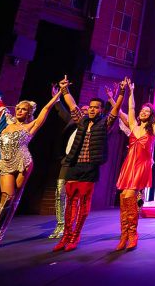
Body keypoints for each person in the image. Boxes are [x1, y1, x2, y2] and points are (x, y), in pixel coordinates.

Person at [0, 84, 62, 250]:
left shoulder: (30, 126)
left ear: (29, 113)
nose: (20, 111)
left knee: (13, 199)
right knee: (6, 197)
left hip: (23, 162)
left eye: (24, 109)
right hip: (6, 163)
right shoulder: (5, 123)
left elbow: (45, 109)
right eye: (18, 108)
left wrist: (57, 95)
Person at [53, 76, 125, 252]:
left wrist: (122, 92)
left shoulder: (104, 123)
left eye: (96, 107)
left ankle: (75, 236)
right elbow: (72, 105)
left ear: (101, 110)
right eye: (90, 107)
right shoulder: (82, 121)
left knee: (83, 204)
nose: (92, 109)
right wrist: (64, 90)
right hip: (74, 166)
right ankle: (66, 235)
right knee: (70, 202)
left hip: (90, 168)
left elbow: (115, 109)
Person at [114, 78, 155, 250]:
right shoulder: (133, 125)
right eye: (143, 110)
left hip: (141, 165)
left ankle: (132, 234)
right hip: (129, 164)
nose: (144, 112)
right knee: (123, 197)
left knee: (129, 196)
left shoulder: (152, 128)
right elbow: (131, 108)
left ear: (150, 115)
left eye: (147, 111)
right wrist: (131, 91)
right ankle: (124, 235)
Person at [49, 84, 88, 240]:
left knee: (76, 196)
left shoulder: (92, 126)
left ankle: (71, 226)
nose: (83, 112)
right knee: (60, 192)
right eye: (82, 110)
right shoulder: (72, 121)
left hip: (82, 163)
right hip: (67, 160)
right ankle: (60, 225)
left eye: (87, 110)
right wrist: (56, 98)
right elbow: (63, 111)